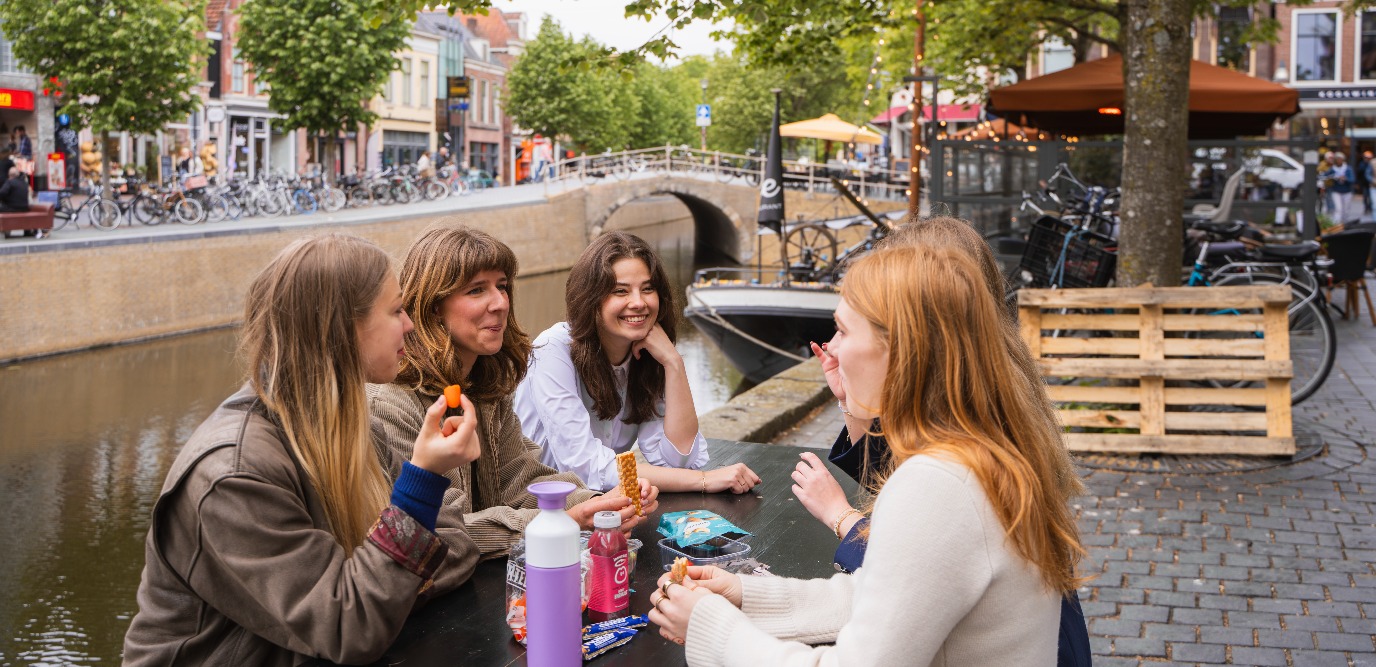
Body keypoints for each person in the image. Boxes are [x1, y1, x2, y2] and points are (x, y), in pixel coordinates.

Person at [647, 243, 1087, 664]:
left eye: (841, 329)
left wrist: (711, 625)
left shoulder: (936, 485)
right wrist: (745, 594)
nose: (831, 348)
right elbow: (888, 599)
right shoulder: (981, 452)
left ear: (900, 349)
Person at [123, 234, 485, 665]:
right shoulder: (231, 475)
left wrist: (379, 586)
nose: (410, 324)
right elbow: (349, 628)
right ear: (341, 330)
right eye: (396, 310)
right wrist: (421, 482)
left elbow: (457, 545)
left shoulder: (354, 429)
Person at [796, 217, 1091, 666]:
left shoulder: (956, 452)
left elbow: (925, 544)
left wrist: (843, 520)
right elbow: (885, 478)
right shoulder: (987, 381)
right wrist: (853, 399)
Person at [369, 227, 660, 559]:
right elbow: (439, 530)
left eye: (503, 286)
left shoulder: (487, 387)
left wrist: (596, 502)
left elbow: (522, 480)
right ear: (433, 305)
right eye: (477, 290)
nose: (500, 303)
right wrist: (562, 522)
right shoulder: (392, 404)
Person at [515, 232, 761, 494]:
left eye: (647, 289)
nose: (638, 302)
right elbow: (584, 466)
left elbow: (677, 461)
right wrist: (703, 480)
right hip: (536, 509)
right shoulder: (552, 350)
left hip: (603, 507)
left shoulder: (647, 354)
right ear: (590, 299)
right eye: (620, 291)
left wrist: (673, 363)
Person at [1322, 152, 1355, 224]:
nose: (1339, 161)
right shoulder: (1332, 169)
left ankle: (1344, 224)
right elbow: (1324, 176)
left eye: (1340, 159)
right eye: (1337, 159)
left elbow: (1352, 180)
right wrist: (1333, 177)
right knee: (1338, 209)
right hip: (1336, 191)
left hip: (1347, 191)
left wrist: (1345, 179)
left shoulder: (1348, 169)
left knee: (1346, 210)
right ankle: (1337, 224)